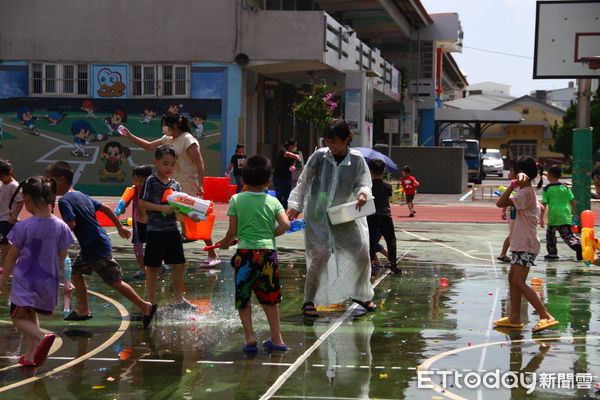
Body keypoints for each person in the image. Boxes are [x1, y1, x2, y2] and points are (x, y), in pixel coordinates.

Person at [45, 161, 157, 328]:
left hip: (95, 246)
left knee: (115, 281)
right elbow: (104, 207)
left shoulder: (65, 201)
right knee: (76, 272)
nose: (48, 184)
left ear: (60, 180)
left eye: (49, 180)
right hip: (92, 245)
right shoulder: (80, 194)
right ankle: (83, 309)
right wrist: (119, 226)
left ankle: (145, 306)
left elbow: (71, 225)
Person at [287, 119, 375, 317]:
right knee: (319, 256)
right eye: (328, 141)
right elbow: (304, 182)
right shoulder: (319, 157)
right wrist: (295, 205)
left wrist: (363, 194)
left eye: (335, 141)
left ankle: (361, 294)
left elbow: (363, 183)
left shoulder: (357, 159)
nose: (331, 146)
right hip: (318, 216)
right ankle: (309, 301)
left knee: (361, 255)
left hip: (344, 215)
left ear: (346, 140)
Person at [119, 113, 220, 267]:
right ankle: (171, 255)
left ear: (175, 125)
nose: (163, 127)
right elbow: (149, 146)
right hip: (171, 185)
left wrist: (200, 184)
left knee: (194, 218)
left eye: (165, 124)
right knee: (172, 218)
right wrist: (129, 135)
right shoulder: (168, 139)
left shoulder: (187, 139)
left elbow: (199, 163)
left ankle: (212, 253)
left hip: (188, 183)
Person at [216, 155, 290, 352]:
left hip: (245, 254)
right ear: (268, 181)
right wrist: (273, 234)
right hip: (267, 254)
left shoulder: (236, 199)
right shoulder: (273, 201)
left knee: (243, 297)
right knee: (270, 298)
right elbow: (286, 224)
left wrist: (225, 242)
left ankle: (249, 338)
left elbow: (232, 231)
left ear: (243, 180)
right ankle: (277, 339)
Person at [0, 177, 74, 366]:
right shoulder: (61, 227)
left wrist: (2, 281)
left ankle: (42, 336)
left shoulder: (22, 227)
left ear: (27, 199)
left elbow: (11, 257)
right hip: (48, 282)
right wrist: (67, 281)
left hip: (25, 281)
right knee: (30, 315)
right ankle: (31, 355)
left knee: (17, 318)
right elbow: (63, 258)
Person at [494, 156, 559, 333]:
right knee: (512, 280)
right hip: (519, 243)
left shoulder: (525, 193)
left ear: (519, 174)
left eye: (512, 171)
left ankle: (545, 315)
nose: (509, 173)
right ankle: (514, 317)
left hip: (525, 244)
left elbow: (500, 202)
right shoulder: (524, 193)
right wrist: (515, 186)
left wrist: (512, 185)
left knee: (518, 281)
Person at [138, 145, 196, 311]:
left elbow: (179, 207)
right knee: (153, 266)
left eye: (172, 164)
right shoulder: (151, 181)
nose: (169, 167)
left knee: (179, 264)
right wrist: (161, 208)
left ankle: (178, 298)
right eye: (165, 163)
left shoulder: (176, 185)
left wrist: (191, 214)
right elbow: (142, 203)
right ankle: (150, 300)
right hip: (155, 231)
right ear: (156, 163)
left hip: (172, 230)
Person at [118, 165, 168, 280]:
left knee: (155, 246)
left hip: (153, 223)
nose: (138, 183)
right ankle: (143, 269)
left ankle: (159, 263)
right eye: (135, 180)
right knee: (138, 249)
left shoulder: (153, 189)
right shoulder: (133, 190)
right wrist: (121, 208)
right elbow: (124, 203)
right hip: (138, 223)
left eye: (142, 180)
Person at [540, 165, 582, 260]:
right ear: (560, 176)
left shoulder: (546, 189)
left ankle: (552, 254)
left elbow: (544, 204)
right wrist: (574, 213)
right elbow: (572, 201)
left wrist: (541, 218)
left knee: (550, 236)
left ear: (549, 175)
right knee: (567, 235)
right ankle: (576, 245)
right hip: (565, 215)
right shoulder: (565, 187)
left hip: (553, 216)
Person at [366, 159, 400, 274]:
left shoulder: (368, 187)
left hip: (371, 215)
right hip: (385, 215)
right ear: (383, 170)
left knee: (370, 239)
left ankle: (371, 262)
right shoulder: (388, 186)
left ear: (369, 171)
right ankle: (392, 262)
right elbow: (388, 201)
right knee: (390, 239)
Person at [0, 160, 23, 272]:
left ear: (10, 173)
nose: (1, 179)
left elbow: (20, 202)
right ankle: (16, 259)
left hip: (8, 219)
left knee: (3, 242)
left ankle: (4, 265)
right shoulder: (2, 184)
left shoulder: (14, 186)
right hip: (1, 217)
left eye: (2, 177)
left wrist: (14, 216)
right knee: (4, 241)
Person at [273, 138, 301, 210]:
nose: (295, 147)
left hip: (288, 178)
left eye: (296, 146)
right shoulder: (283, 150)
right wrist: (295, 156)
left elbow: (293, 164)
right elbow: (286, 154)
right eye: (294, 146)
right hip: (279, 177)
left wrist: (293, 166)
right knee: (279, 196)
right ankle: (277, 212)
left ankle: (284, 212)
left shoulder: (294, 154)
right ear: (289, 146)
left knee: (287, 197)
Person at [497, 164, 517, 263]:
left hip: (514, 212)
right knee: (513, 234)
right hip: (513, 213)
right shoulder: (514, 187)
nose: (509, 174)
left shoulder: (519, 188)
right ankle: (505, 253)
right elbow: (505, 201)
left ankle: (504, 253)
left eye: (511, 172)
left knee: (513, 234)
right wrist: (503, 211)